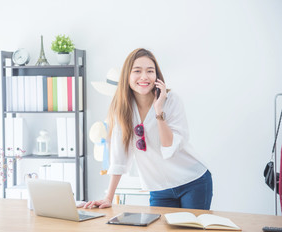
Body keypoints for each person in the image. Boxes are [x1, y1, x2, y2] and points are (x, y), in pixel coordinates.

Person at [84, 48, 212, 210]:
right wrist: (108, 197)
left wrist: (159, 111)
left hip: (192, 181)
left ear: (156, 76)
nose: (144, 77)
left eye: (150, 71)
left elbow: (168, 146)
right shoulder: (122, 109)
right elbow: (119, 155)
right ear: (127, 76)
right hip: (159, 188)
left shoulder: (171, 101)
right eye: (137, 71)